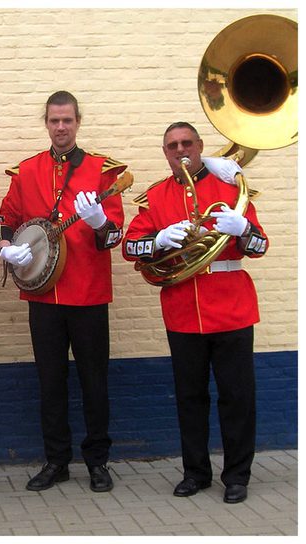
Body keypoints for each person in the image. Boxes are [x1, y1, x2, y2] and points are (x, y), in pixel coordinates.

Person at [123, 122, 267, 504]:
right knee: (190, 397)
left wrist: (244, 226)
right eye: (172, 145)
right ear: (165, 152)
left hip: (232, 308)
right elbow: (129, 248)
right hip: (183, 310)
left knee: (237, 397)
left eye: (187, 143)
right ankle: (196, 473)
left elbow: (260, 246)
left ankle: (237, 475)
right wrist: (155, 240)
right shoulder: (155, 197)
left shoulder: (231, 190)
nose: (181, 150)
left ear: (201, 146)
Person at [0, 90, 127, 493]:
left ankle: (98, 461)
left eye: (67, 120)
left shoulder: (103, 171)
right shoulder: (27, 171)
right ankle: (56, 460)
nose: (61, 127)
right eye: (54, 120)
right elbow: (4, 220)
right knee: (49, 381)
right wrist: (5, 248)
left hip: (87, 295)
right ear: (47, 123)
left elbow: (115, 237)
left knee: (94, 381)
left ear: (78, 122)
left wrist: (101, 220)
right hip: (43, 297)